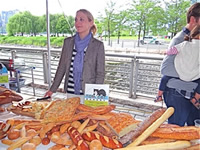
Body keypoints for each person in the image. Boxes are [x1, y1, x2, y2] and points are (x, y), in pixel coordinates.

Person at [44, 9, 105, 103]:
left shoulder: (98, 45)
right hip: (71, 92)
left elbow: (100, 73)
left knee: (87, 118)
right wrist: (52, 90)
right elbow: (61, 68)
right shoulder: (68, 42)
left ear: (91, 22)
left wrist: (95, 95)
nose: (77, 23)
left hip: (89, 94)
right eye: (76, 20)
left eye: (81, 19)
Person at [158, 2, 200, 126]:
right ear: (194, 20)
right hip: (177, 93)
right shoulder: (180, 39)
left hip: (191, 92)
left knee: (191, 131)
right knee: (176, 130)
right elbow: (165, 69)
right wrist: (190, 74)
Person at [155, 25, 200, 110]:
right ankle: (195, 98)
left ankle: (159, 96)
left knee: (165, 78)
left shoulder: (184, 44)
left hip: (181, 72)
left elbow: (172, 50)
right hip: (194, 75)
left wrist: (165, 52)